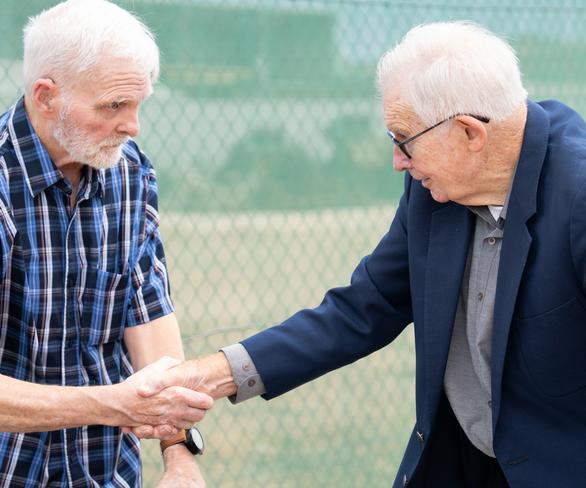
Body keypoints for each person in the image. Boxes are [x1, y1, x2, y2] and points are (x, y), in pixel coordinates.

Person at [140, 21, 586, 487]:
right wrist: (216, 374)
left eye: (403, 139)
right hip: (464, 466)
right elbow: (365, 307)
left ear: (469, 133)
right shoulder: (434, 190)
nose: (398, 161)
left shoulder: (577, 196)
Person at [0, 1, 212, 487]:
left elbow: (148, 318)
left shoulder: (129, 173)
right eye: (113, 107)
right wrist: (113, 403)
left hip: (104, 471)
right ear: (46, 96)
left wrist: (179, 453)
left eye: (138, 104)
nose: (133, 126)